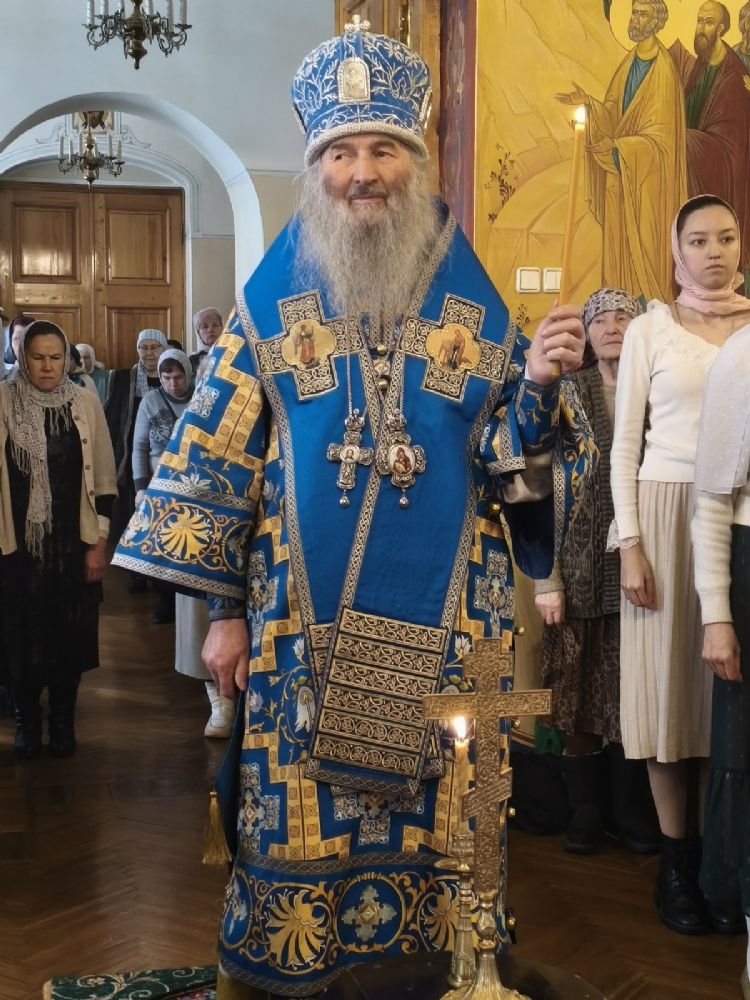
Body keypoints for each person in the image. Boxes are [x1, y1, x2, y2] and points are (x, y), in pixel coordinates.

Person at [113, 23, 592, 997]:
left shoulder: (469, 297)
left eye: (383, 150)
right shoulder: (270, 300)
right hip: (300, 621)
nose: (363, 172)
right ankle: (297, 961)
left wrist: (540, 384)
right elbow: (214, 461)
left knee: (446, 804)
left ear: (414, 164)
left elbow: (509, 460)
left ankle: (447, 962)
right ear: (316, 168)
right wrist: (224, 614)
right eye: (341, 153)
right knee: (296, 809)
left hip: (452, 618)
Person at [610, 194, 750, 935]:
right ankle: (676, 864)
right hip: (665, 515)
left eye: (725, 237)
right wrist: (630, 542)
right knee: (669, 697)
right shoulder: (650, 329)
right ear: (676, 251)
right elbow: (623, 445)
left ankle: (720, 861)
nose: (714, 252)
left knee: (722, 696)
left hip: (738, 517)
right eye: (698, 240)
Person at [535, 288, 659, 856]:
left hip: (642, 574)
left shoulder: (657, 390)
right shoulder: (566, 393)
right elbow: (537, 484)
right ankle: (585, 810)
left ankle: (630, 809)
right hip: (577, 571)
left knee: (634, 696)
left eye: (623, 317)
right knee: (578, 695)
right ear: (585, 333)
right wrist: (547, 578)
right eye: (600, 319)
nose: (612, 327)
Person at [0, 321, 116, 757]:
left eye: (55, 357)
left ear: (67, 359)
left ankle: (64, 720)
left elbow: (104, 479)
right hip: (15, 549)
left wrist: (98, 544)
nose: (47, 367)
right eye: (37, 357)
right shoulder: (2, 399)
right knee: (19, 638)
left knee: (69, 636)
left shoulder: (84, 402)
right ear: (22, 358)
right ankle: (27, 721)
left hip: (71, 545)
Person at [557, 0, 686, 302]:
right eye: (634, 13)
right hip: (621, 179)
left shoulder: (664, 71)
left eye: (643, 15)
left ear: (656, 23)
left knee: (645, 255)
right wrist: (589, 103)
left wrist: (618, 148)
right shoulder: (628, 63)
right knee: (617, 257)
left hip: (647, 188)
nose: (636, 20)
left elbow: (662, 141)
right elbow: (615, 115)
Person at [692, 328, 750, 965]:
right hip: (749, 562)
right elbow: (711, 498)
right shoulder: (743, 355)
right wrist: (717, 616)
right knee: (743, 750)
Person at [671, 2, 750, 273]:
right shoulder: (702, 65)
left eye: (709, 22)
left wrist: (685, 140)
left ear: (722, 28)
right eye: (699, 21)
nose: (701, 29)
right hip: (694, 162)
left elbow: (732, 144)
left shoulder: (734, 75)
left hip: (723, 171)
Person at [131, 347, 194, 624]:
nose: (172, 384)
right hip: (160, 482)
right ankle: (166, 600)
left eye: (178, 377)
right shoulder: (150, 400)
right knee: (163, 544)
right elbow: (139, 446)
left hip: (192, 481)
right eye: (166, 378)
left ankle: (191, 603)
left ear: (187, 375)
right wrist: (140, 487)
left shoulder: (200, 397)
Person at [104, 328, 167, 585]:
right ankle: (136, 572)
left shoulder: (173, 375)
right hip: (132, 457)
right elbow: (111, 415)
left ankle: (159, 572)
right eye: (144, 348)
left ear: (163, 349)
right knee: (134, 515)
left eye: (154, 347)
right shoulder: (122, 379)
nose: (149, 353)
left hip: (163, 458)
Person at [189, 307, 223, 374]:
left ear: (222, 328)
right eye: (205, 327)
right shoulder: (192, 361)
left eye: (215, 325)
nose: (210, 330)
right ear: (198, 333)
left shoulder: (230, 353)